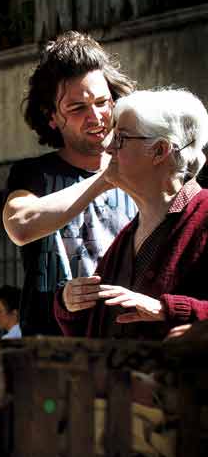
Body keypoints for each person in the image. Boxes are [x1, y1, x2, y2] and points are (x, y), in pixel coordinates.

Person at [3, 31, 138, 336]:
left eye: (103, 102)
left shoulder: (139, 170)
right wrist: (105, 180)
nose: (97, 117)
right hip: (53, 354)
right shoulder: (33, 174)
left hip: (127, 346)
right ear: (51, 117)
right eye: (77, 108)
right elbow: (21, 225)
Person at [56, 88, 208, 339]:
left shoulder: (203, 216)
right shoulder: (128, 234)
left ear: (160, 150)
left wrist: (167, 309)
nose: (107, 149)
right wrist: (69, 303)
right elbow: (92, 331)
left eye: (121, 139)